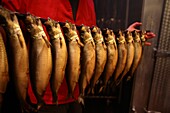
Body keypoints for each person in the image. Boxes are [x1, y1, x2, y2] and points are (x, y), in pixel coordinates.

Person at [0, 0, 155, 113]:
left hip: (76, 93)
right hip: (42, 97)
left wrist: (125, 39)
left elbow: (90, 42)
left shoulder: (88, 3)